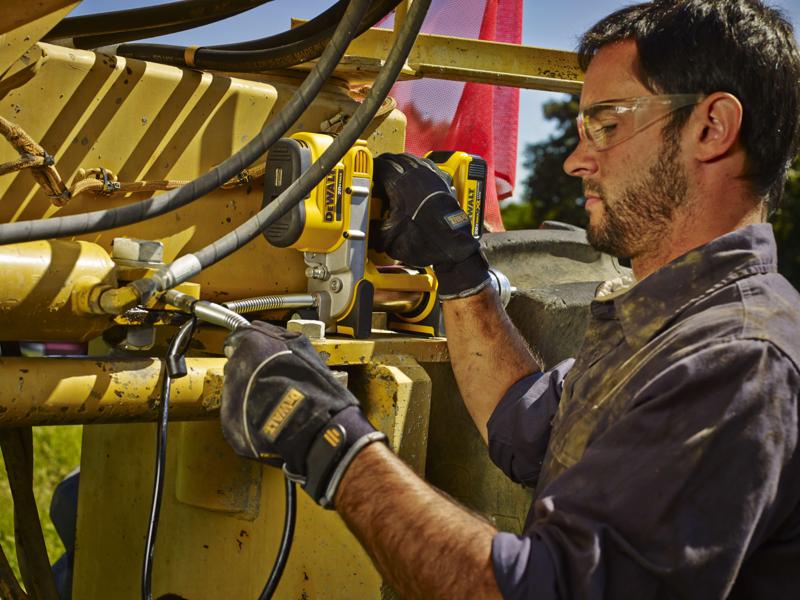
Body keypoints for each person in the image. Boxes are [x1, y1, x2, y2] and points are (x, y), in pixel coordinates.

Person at [220, 0, 800, 597]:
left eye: (606, 125)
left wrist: (330, 445)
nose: (576, 160)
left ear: (712, 128)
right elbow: (530, 427)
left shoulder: (735, 357)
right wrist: (458, 267)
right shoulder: (671, 322)